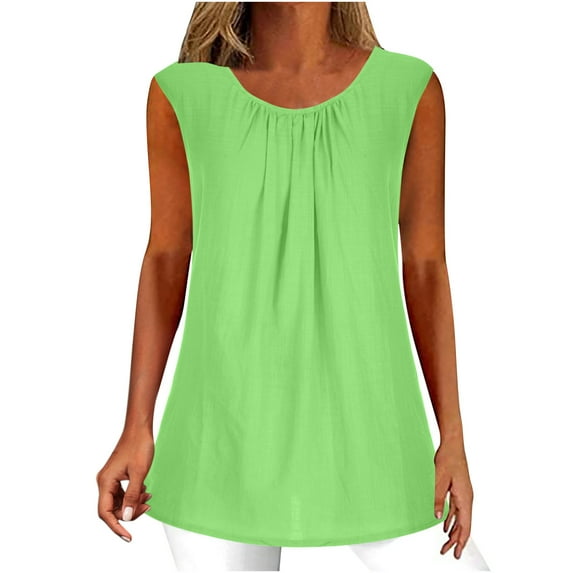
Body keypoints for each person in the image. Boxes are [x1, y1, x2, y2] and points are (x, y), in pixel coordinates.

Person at [97, 2, 488, 571]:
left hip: (374, 434)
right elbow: (165, 258)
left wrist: (453, 439)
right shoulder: (181, 94)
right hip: (220, 436)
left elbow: (426, 266)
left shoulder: (408, 90)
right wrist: (137, 424)